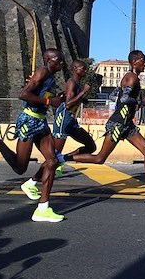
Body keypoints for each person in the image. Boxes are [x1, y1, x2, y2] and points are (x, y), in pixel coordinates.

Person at [64, 50, 145, 205]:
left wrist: (137, 97)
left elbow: (113, 96)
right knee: (100, 158)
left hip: (127, 124)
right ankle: (62, 158)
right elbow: (124, 98)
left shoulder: (131, 77)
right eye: (143, 60)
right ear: (135, 62)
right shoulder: (132, 76)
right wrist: (141, 103)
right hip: (119, 124)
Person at [0, 49, 66, 222]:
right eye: (58, 60)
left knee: (52, 161)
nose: (61, 63)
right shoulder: (43, 71)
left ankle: (43, 208)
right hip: (28, 120)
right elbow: (23, 95)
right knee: (20, 167)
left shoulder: (51, 78)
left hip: (41, 122)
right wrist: (49, 101)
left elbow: (42, 98)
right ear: (49, 60)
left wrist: (56, 99)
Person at [21, 59, 96, 193]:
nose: (85, 70)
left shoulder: (77, 84)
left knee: (90, 146)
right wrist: (83, 92)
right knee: (52, 157)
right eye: (82, 68)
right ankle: (31, 182)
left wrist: (82, 98)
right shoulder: (71, 82)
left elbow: (70, 99)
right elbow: (68, 104)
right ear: (75, 69)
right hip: (64, 119)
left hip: (71, 121)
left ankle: (63, 158)